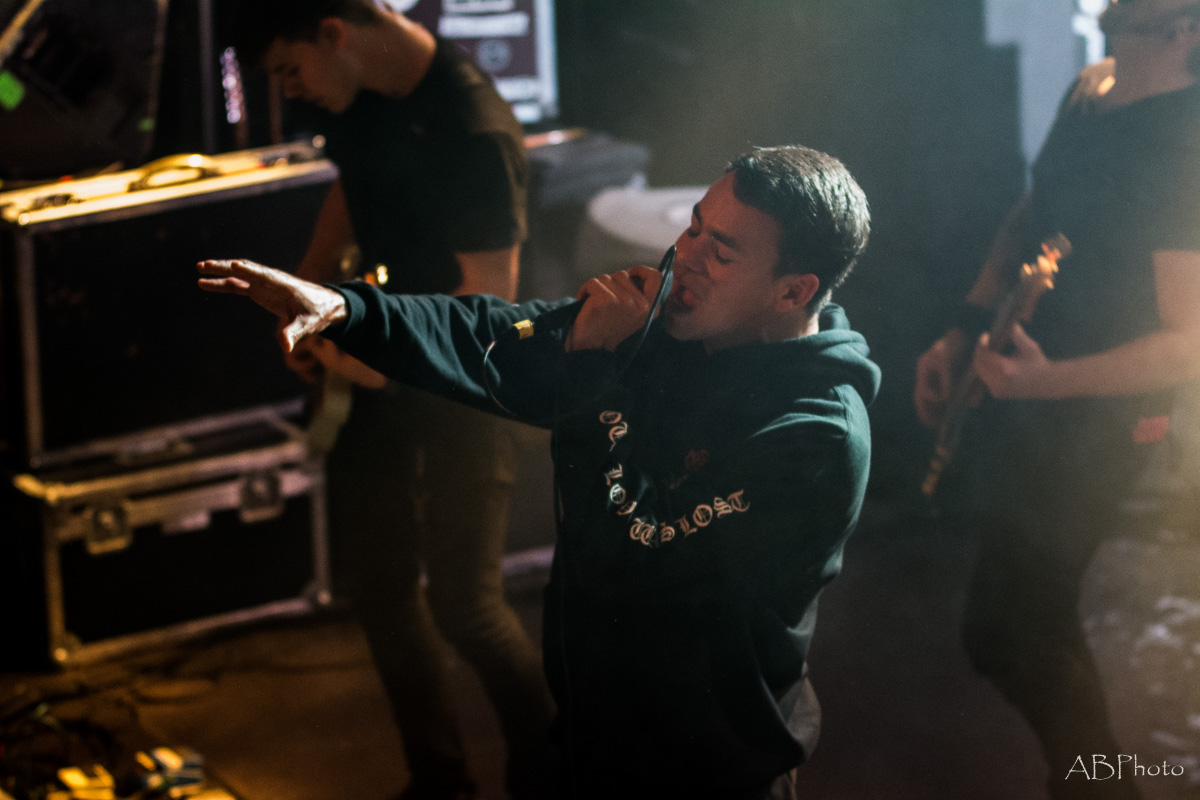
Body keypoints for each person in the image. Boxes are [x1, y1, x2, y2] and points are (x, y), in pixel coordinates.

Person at [198, 145, 879, 799]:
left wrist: (593, 372)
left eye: (722, 253)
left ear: (793, 291)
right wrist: (349, 310)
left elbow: (635, 551)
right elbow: (492, 332)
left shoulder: (817, 436)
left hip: (708, 772)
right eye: (694, 228)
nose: (685, 258)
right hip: (596, 740)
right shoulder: (668, 333)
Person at [231, 2, 554, 798]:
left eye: (290, 70)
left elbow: (486, 304)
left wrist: (371, 360)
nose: (292, 91)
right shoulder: (357, 94)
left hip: (466, 388)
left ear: (333, 33)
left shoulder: (473, 128)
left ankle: (556, 778)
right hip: (377, 364)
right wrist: (308, 285)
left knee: (467, 605)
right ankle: (440, 784)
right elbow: (355, 186)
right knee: (379, 591)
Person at [914, 1, 1200, 797]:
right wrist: (966, 325)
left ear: (1185, 28)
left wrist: (1048, 382)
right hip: (1030, 394)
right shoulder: (1091, 89)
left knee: (1012, 626)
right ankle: (1095, 783)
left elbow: (1189, 343)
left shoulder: (1183, 141)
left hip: (1105, 421)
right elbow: (1033, 214)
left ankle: (1100, 786)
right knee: (1020, 622)